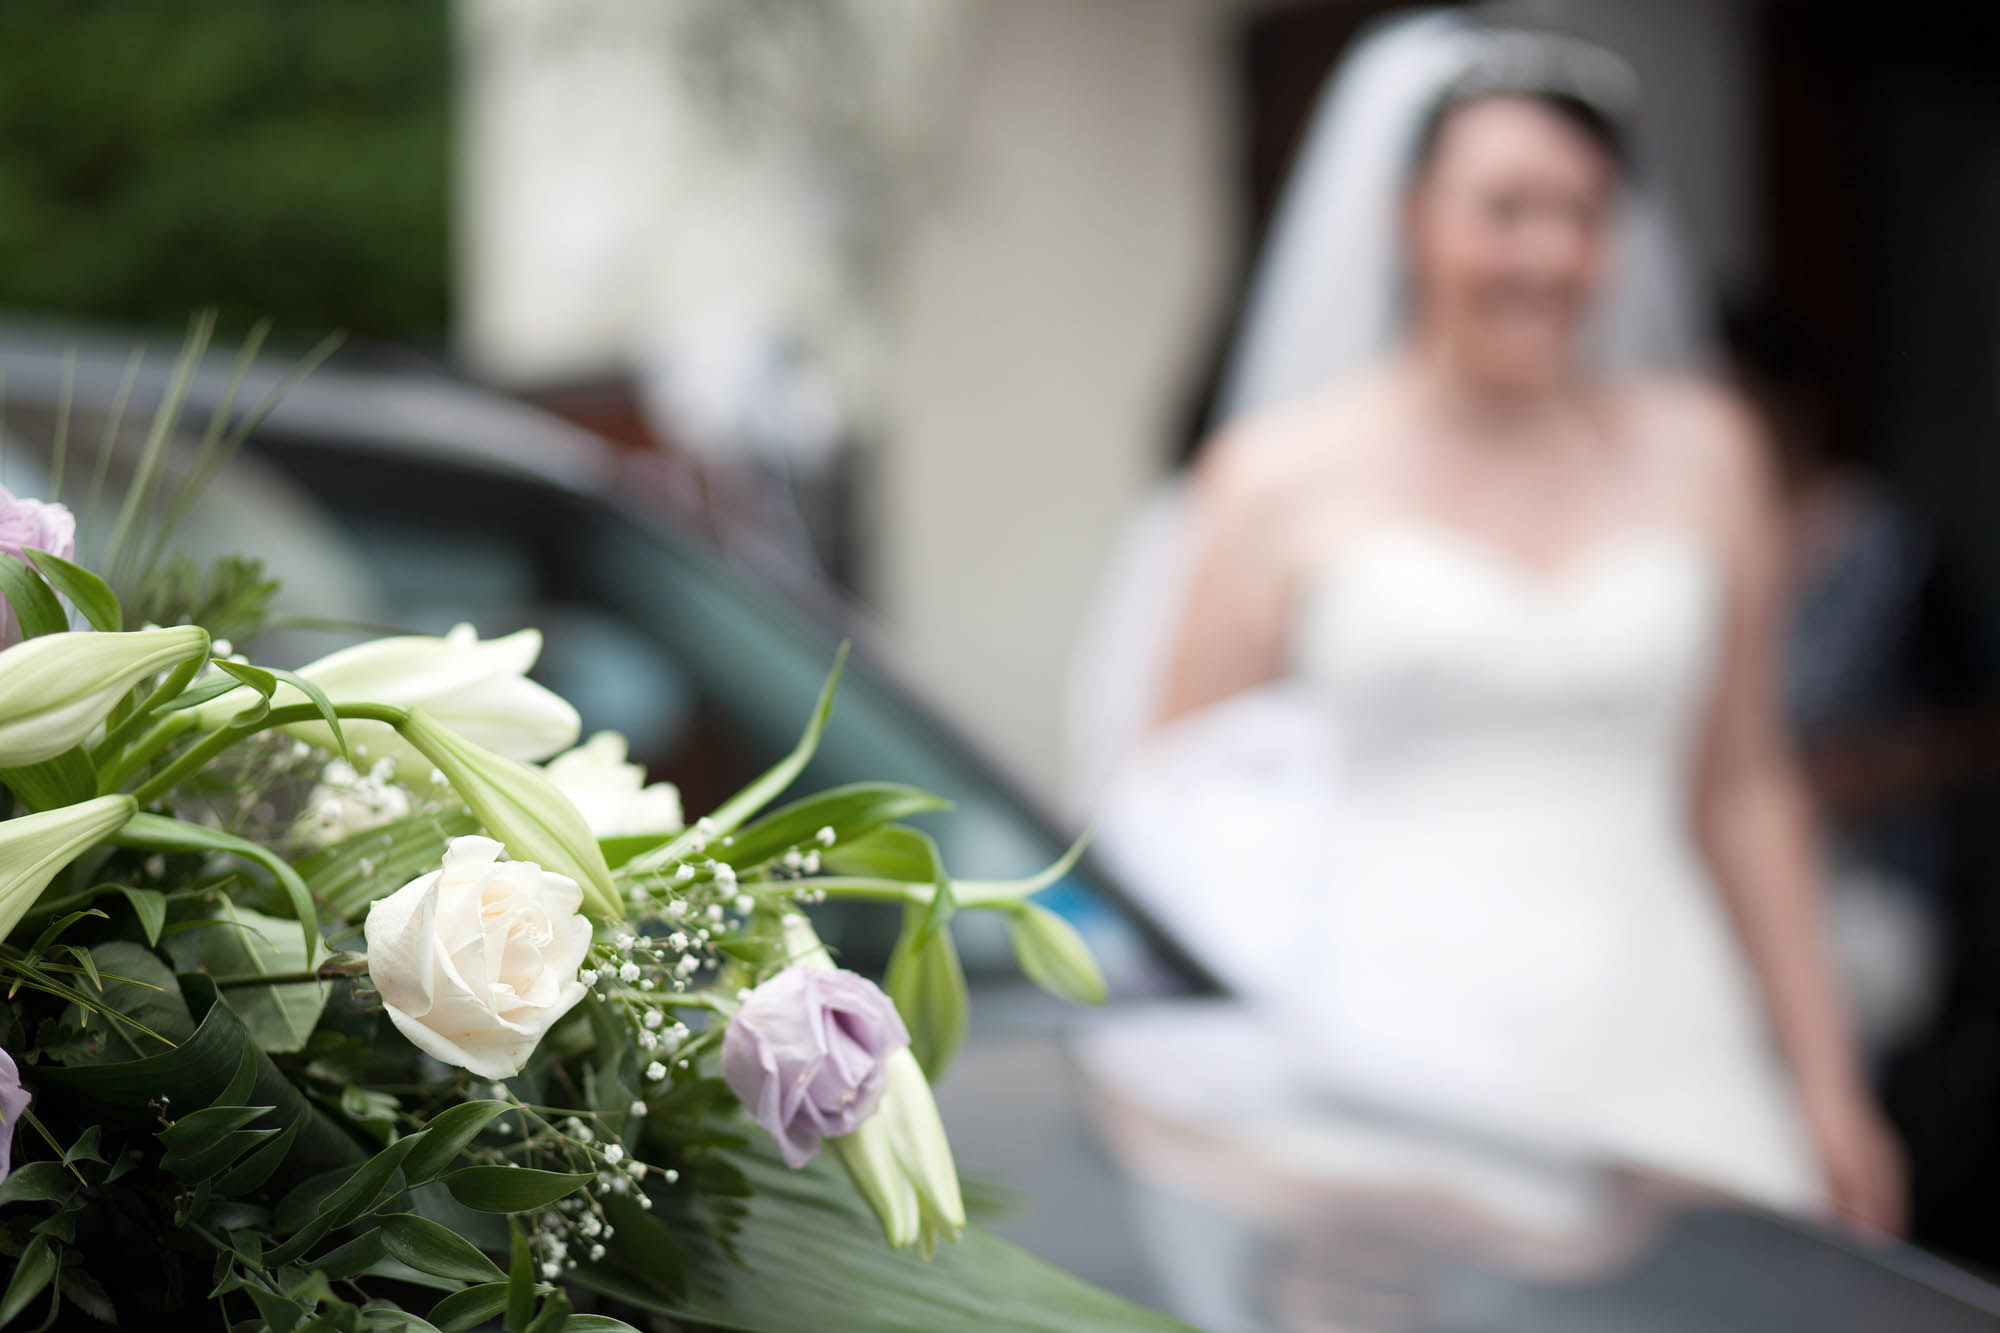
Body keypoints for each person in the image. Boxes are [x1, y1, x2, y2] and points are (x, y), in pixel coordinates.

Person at [1148, 11, 1903, 1232]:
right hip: (1388, 1061)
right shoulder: (1272, 478)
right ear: (1408, 219)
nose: (1549, 255)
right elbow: (1182, 809)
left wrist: (1824, 1083)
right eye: (1506, 210)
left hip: (1667, 1039)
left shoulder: (1706, 451)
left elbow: (1744, 783)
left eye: (1585, 213)